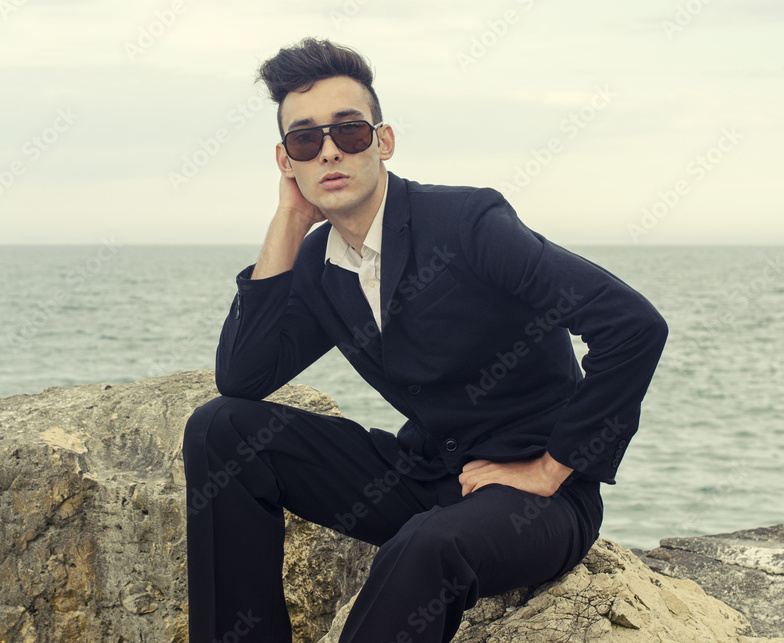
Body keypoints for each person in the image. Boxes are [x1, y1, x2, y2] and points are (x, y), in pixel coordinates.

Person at [182, 37, 667, 642]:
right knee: (219, 428)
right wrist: (286, 220)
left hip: (537, 503)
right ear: (288, 161)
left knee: (422, 547)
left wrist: (551, 469)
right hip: (427, 475)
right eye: (307, 140)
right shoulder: (318, 262)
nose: (329, 152)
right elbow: (243, 378)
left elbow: (632, 325)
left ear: (383, 142)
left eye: (349, 132)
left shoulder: (469, 224)